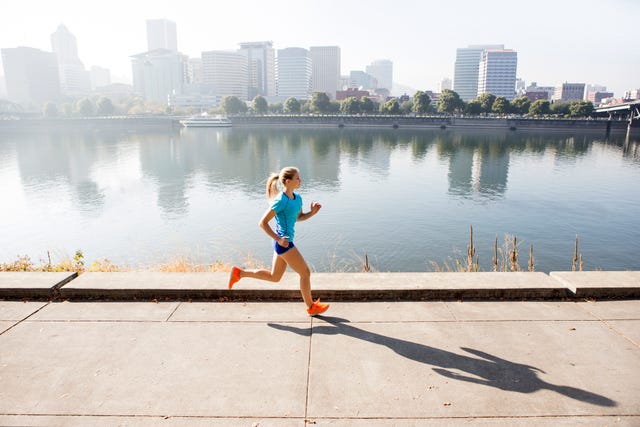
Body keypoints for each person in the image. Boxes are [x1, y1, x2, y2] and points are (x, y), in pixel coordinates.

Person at [228, 166, 329, 316]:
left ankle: (239, 273)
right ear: (287, 182)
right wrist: (279, 239)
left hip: (283, 242)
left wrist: (312, 213)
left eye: (299, 177)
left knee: (274, 277)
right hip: (284, 243)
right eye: (297, 178)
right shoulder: (280, 201)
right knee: (305, 273)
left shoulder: (297, 198)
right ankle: (311, 307)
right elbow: (262, 222)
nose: (300, 180)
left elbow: (298, 218)